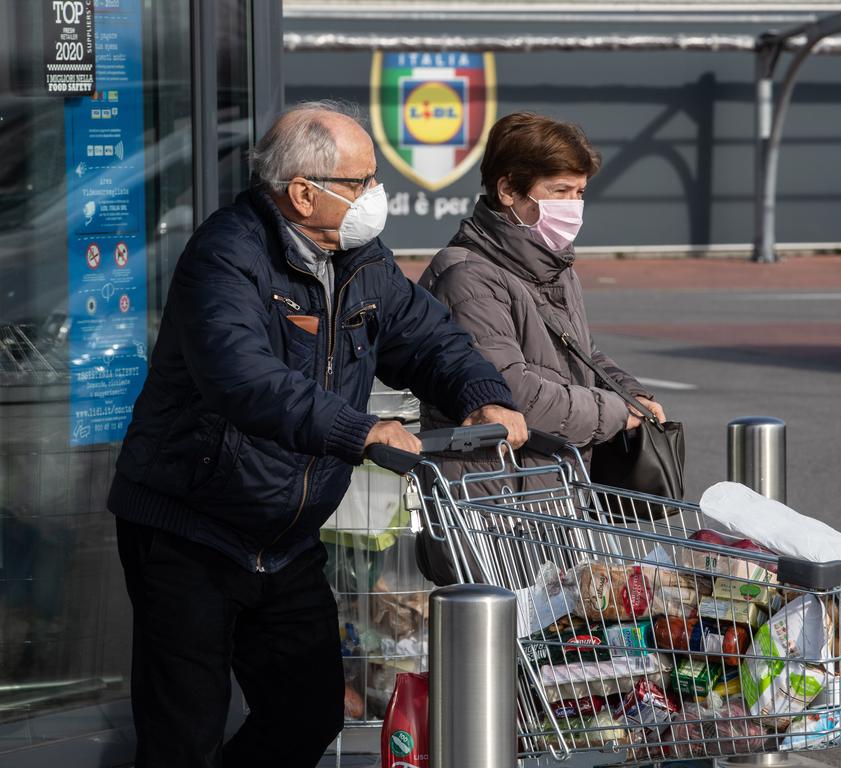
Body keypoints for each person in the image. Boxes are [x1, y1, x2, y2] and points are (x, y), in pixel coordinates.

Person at [106, 100, 527, 768]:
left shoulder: (360, 258)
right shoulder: (226, 257)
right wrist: (361, 431)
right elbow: (243, 380)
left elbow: (425, 338)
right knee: (183, 734)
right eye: (361, 183)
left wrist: (482, 395)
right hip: (193, 529)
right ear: (304, 193)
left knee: (308, 710)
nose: (375, 197)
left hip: (285, 537)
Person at [415, 112, 665, 581]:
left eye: (580, 193)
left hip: (548, 497)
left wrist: (632, 394)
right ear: (507, 190)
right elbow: (510, 392)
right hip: (491, 507)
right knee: (503, 644)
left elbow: (580, 351)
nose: (573, 207)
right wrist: (614, 412)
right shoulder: (467, 276)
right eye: (558, 192)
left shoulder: (555, 267)